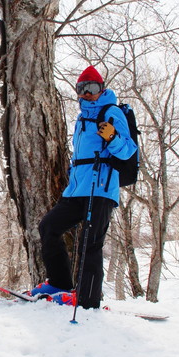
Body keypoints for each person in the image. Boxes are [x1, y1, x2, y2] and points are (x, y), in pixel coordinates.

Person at [31, 66, 137, 309]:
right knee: (49, 227)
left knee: (90, 242)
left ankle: (88, 300)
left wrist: (113, 138)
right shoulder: (81, 118)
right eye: (82, 89)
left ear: (101, 89)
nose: (87, 94)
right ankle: (59, 283)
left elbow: (128, 150)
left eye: (92, 88)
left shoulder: (111, 112)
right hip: (77, 189)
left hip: (100, 188)